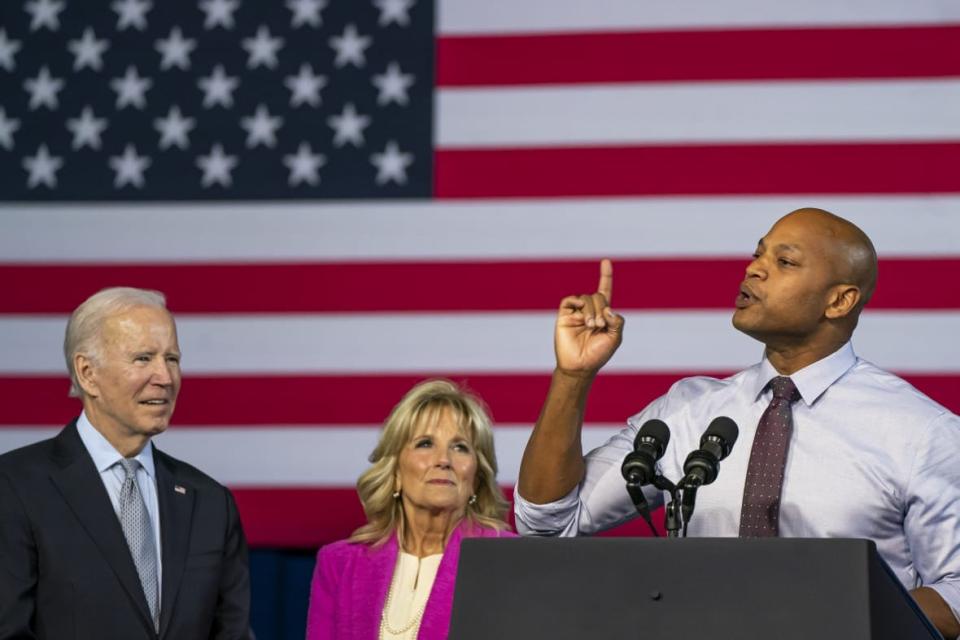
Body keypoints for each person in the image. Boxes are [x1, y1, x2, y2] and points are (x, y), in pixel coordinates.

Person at [514, 208, 960, 638]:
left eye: (783, 261)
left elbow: (954, 591)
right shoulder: (687, 411)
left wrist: (831, 615)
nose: (754, 270)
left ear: (840, 300)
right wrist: (572, 376)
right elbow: (548, 522)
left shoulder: (920, 432)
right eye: (757, 254)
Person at [0, 287, 251, 639]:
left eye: (172, 359)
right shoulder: (14, 488)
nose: (164, 377)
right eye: (143, 358)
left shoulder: (210, 503)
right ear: (87, 373)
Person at [306, 379, 514, 640]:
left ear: (476, 479)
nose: (443, 460)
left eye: (460, 447)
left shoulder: (507, 561)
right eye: (425, 443)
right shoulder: (340, 564)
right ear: (395, 472)